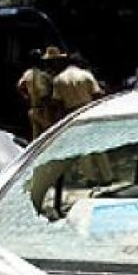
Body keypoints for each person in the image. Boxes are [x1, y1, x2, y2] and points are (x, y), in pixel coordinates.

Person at [52, 52, 111, 184]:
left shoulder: (58, 79)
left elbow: (57, 102)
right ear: (79, 63)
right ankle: (107, 176)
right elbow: (97, 94)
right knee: (98, 145)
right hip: (89, 110)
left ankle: (90, 178)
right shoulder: (86, 75)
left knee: (81, 146)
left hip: (72, 114)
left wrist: (62, 119)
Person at [16, 47, 55, 140]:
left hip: (33, 109)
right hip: (44, 110)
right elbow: (45, 95)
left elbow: (19, 86)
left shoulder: (27, 73)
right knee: (49, 137)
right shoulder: (44, 75)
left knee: (36, 138)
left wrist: (26, 96)